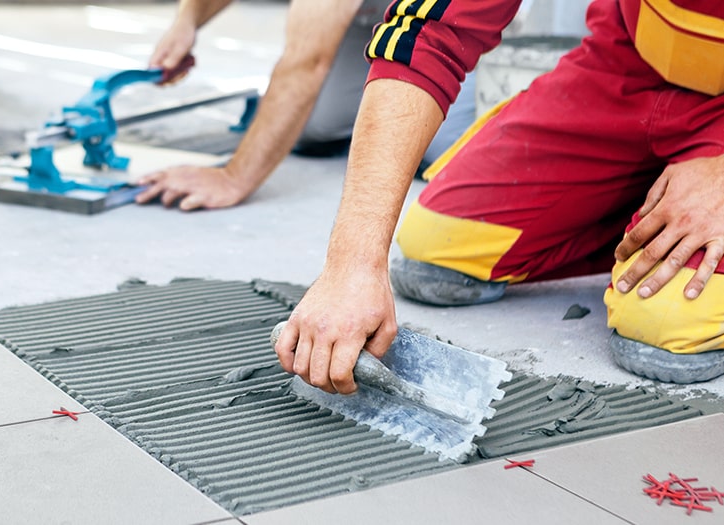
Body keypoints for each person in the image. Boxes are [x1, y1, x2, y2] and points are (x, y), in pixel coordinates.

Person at [274, 0, 724, 390]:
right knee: (438, 245)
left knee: (665, 326)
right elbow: (428, 29)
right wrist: (350, 265)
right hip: (633, 66)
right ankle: (649, 204)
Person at [134, 0, 476, 210]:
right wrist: (187, 21)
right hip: (385, 8)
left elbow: (307, 62)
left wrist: (233, 178)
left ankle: (501, 77)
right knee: (313, 125)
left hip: (461, 14)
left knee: (442, 149)